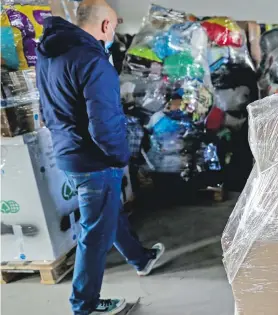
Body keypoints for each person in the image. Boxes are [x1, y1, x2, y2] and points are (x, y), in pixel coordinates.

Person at [35, 1, 165, 314]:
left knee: (107, 211)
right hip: (94, 160)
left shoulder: (49, 53)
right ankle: (85, 305)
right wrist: (119, 157)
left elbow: (46, 108)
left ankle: (141, 259)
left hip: (68, 152)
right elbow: (104, 122)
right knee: (94, 235)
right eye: (115, 27)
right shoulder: (93, 61)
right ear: (106, 26)